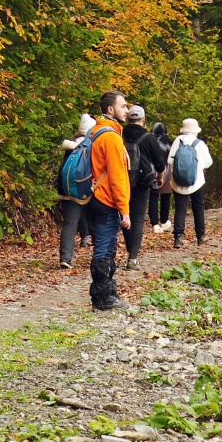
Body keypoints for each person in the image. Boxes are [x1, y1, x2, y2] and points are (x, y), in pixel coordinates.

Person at [84, 91, 133, 310]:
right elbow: (117, 177)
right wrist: (125, 210)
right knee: (105, 248)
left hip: (94, 196)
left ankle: (106, 293)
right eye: (123, 106)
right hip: (106, 199)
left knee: (105, 246)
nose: (127, 110)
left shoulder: (94, 132)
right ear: (110, 110)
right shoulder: (111, 137)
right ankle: (103, 298)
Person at [121, 105, 169, 270]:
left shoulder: (120, 134)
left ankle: (131, 249)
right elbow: (160, 163)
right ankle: (132, 258)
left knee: (124, 215)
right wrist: (160, 178)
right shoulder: (149, 138)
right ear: (143, 119)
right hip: (142, 181)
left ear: (127, 119)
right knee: (138, 219)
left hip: (122, 180)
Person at [56, 114, 95, 268]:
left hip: (68, 191)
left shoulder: (70, 146)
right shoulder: (91, 146)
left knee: (70, 224)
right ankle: (101, 258)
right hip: (88, 190)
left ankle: (65, 258)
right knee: (95, 222)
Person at [167, 118, 213, 248]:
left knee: (180, 209)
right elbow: (208, 162)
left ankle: (178, 237)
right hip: (197, 182)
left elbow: (170, 161)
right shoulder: (200, 144)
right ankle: (201, 236)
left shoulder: (177, 141)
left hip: (177, 182)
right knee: (198, 208)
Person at [149, 122, 173, 232]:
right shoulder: (168, 142)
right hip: (166, 171)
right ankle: (164, 221)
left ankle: (154, 224)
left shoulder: (150, 140)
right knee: (165, 197)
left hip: (151, 171)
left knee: (153, 197)